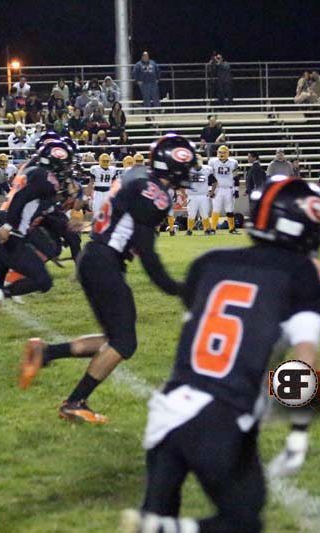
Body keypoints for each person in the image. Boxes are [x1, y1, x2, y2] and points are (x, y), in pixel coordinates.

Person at [119, 176, 320, 533]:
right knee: (243, 520)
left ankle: (156, 526)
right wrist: (298, 434)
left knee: (159, 510)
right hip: (223, 416)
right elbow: (304, 361)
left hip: (169, 408)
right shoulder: (307, 277)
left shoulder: (210, 262)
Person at [18, 135, 196, 422]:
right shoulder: (154, 194)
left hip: (96, 256)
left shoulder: (138, 175)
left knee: (114, 338)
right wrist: (177, 288)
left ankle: (45, 353)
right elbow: (147, 253)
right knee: (124, 343)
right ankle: (74, 402)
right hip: (105, 261)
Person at [0, 141, 74, 346]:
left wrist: (63, 230)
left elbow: (39, 210)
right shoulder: (45, 178)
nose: (67, 170)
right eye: (65, 165)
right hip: (8, 236)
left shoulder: (33, 172)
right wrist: (9, 226)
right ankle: (0, 294)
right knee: (43, 281)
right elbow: (21, 199)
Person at [208, 145, 240, 234]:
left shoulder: (233, 162)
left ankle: (232, 229)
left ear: (228, 153)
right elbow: (210, 177)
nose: (222, 154)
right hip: (217, 189)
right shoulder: (212, 161)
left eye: (224, 152)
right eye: (220, 152)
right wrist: (210, 190)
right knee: (216, 209)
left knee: (230, 209)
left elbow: (236, 177)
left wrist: (236, 190)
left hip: (229, 189)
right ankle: (213, 229)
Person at [187, 154, 214, 235]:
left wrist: (212, 191)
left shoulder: (207, 169)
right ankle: (189, 230)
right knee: (191, 214)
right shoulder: (188, 170)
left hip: (203, 195)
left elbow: (214, 181)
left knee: (204, 214)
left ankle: (207, 230)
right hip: (192, 195)